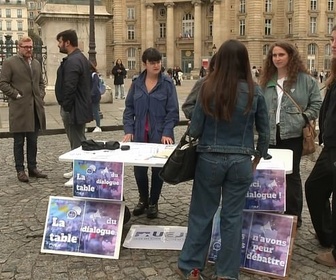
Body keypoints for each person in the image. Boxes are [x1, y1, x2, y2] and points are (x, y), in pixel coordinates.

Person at [177, 39, 270, 280]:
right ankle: (227, 273)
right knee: (232, 217)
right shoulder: (254, 90)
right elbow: (265, 131)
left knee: (201, 213)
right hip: (240, 161)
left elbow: (195, 129)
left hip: (210, 159)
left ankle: (191, 266)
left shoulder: (208, 86)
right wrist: (258, 156)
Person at [259, 41, 321, 228]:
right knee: (270, 175)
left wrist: (303, 118)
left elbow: (316, 103)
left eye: (281, 55)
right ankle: (272, 212)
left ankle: (294, 216)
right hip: (270, 134)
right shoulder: (266, 79)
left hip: (292, 134)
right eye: (274, 55)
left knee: (291, 175)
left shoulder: (305, 80)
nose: (277, 58)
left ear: (291, 56)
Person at [122, 47, 179, 219]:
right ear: (145, 64)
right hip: (139, 134)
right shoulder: (137, 83)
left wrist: (167, 132)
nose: (156, 65)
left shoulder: (167, 84)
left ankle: (153, 202)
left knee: (157, 171)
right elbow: (128, 109)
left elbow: (173, 112)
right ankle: (143, 199)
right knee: (139, 170)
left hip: (160, 135)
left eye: (158, 62)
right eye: (152, 63)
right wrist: (128, 130)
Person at [305, 25, 336, 267]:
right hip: (330, 145)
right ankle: (328, 234)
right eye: (333, 39)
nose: (333, 44)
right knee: (315, 188)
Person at [0, 36, 47, 182]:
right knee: (19, 142)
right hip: (19, 109)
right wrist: (16, 95)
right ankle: (20, 170)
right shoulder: (10, 63)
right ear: (19, 47)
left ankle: (32, 168)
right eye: (25, 47)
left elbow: (41, 82)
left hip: (34, 109)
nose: (28, 49)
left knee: (33, 141)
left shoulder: (37, 63)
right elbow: (3, 83)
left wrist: (40, 94)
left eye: (30, 47)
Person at [55, 29, 93, 187]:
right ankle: (75, 167)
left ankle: (80, 174)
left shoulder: (73, 60)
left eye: (60, 41)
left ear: (67, 42)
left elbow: (70, 86)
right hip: (77, 106)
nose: (58, 45)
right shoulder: (78, 58)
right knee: (75, 140)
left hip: (74, 108)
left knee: (78, 141)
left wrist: (66, 106)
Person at [182, 54, 216, 120]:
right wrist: (201, 119)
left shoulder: (239, 84)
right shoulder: (203, 82)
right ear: (214, 66)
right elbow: (188, 106)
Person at [90, 62, 102, 133]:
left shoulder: (94, 75)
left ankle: (98, 126)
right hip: (91, 95)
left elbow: (95, 86)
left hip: (94, 96)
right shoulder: (89, 75)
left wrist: (91, 94)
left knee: (95, 111)